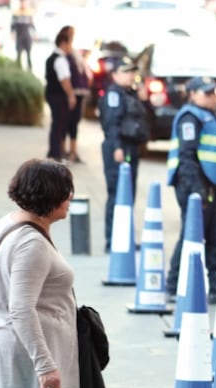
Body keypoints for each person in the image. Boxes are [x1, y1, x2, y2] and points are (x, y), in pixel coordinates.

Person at [0, 158, 78, 388]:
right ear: (49, 196)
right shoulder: (31, 243)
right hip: (22, 354)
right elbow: (20, 309)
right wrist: (45, 366)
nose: (70, 198)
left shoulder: (8, 223)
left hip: (7, 341)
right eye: (65, 192)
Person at [165, 76, 216, 304]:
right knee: (191, 236)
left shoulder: (207, 115)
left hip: (210, 185)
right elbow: (187, 157)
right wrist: (197, 191)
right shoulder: (190, 118)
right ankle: (173, 285)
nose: (213, 98)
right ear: (192, 94)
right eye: (207, 93)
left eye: (214, 93)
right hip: (194, 185)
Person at [100, 56, 148, 253]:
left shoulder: (131, 93)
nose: (130, 75)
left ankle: (125, 239)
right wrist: (117, 147)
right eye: (126, 71)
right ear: (115, 75)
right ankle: (112, 240)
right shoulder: (114, 95)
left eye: (132, 71)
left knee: (128, 195)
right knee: (116, 194)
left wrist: (144, 100)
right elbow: (111, 124)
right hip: (119, 148)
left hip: (131, 147)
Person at [44, 26, 76, 163]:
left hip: (52, 95)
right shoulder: (60, 59)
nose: (71, 47)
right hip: (58, 96)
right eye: (70, 43)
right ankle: (55, 154)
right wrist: (71, 95)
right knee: (59, 125)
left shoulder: (52, 58)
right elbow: (65, 81)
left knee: (57, 124)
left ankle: (54, 153)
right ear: (63, 43)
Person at [65, 28, 91, 164]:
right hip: (73, 93)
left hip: (81, 92)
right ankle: (66, 151)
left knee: (75, 122)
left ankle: (73, 151)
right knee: (68, 122)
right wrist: (70, 94)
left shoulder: (76, 53)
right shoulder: (67, 53)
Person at [10, 0, 35, 70]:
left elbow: (32, 25)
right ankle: (18, 68)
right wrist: (12, 33)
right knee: (19, 53)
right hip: (19, 35)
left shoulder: (29, 12)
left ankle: (29, 68)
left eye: (24, 2)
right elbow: (12, 24)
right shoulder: (16, 12)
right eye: (22, 2)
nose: (23, 4)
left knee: (28, 53)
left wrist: (34, 34)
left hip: (27, 35)